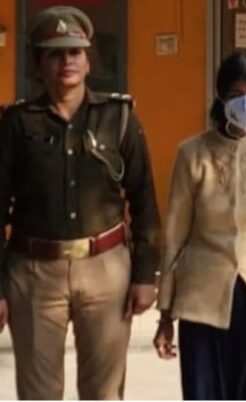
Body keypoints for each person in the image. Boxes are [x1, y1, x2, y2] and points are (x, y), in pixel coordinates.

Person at [0, 5, 161, 400]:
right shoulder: (17, 124)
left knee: (103, 393)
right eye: (55, 54)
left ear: (89, 61)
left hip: (105, 268)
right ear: (39, 64)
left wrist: (146, 274)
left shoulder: (119, 118)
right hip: (34, 272)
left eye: (75, 52)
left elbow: (143, 199)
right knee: (38, 393)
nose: (66, 62)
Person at [153, 52, 246, 400]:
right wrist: (164, 314)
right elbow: (174, 236)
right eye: (237, 94)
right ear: (221, 98)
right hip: (200, 302)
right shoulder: (192, 153)